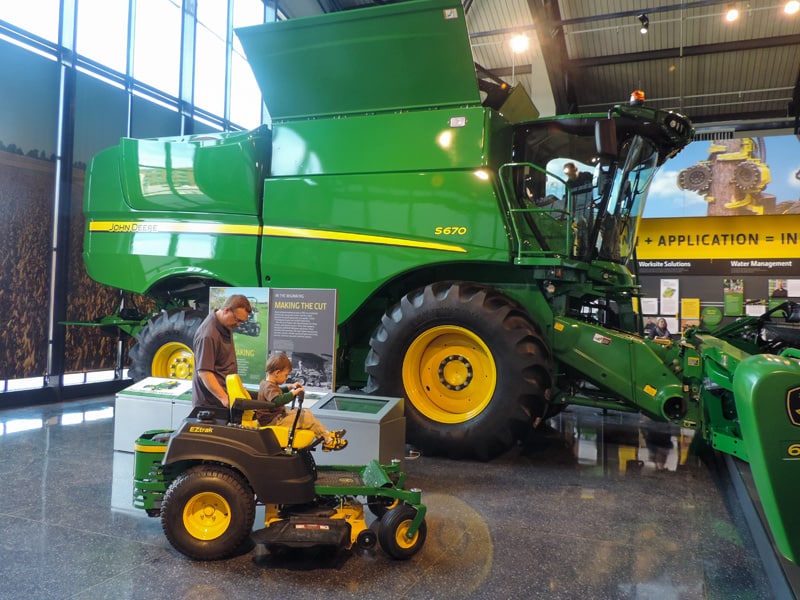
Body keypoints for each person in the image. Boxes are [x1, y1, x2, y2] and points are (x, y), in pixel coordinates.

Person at [257, 352, 347, 452]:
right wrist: (294, 393)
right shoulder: (268, 387)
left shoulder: (267, 384)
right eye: (286, 375)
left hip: (277, 417)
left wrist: (289, 387)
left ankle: (326, 435)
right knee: (307, 418)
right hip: (273, 421)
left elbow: (277, 392)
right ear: (277, 373)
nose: (286, 378)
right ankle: (328, 441)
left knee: (306, 413)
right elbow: (277, 400)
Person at [191, 294, 253, 409]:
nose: (238, 325)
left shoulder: (226, 325)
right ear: (226, 310)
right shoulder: (208, 335)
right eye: (237, 320)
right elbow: (205, 373)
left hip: (222, 399)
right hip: (211, 404)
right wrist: (224, 398)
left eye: (241, 322)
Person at [563, 162, 594, 258]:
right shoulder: (569, 184)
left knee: (590, 229)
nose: (570, 175)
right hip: (577, 209)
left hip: (589, 207)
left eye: (571, 172)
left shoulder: (587, 176)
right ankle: (581, 250)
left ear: (575, 170)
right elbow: (568, 199)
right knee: (581, 226)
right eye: (568, 174)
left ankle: (590, 250)